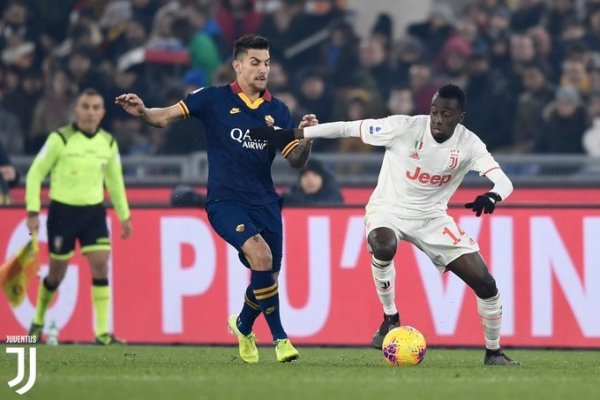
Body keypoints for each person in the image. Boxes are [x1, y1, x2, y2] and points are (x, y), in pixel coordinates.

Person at [251, 84, 520, 366]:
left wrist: (493, 194)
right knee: (383, 243)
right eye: (435, 112)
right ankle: (390, 318)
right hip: (388, 208)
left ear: (460, 117)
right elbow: (348, 128)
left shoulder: (470, 144)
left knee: (485, 283)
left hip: (432, 218)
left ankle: (494, 352)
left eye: (447, 114)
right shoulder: (404, 128)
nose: (438, 119)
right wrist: (290, 134)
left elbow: (504, 181)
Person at [115, 34, 314, 363]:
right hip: (225, 201)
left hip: (265, 201)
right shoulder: (212, 99)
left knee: (268, 277)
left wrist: (304, 137)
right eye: (255, 62)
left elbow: (295, 160)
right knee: (260, 257)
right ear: (237, 66)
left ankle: (242, 325)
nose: (263, 69)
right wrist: (142, 112)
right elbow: (162, 118)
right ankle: (280, 339)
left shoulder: (278, 111)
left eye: (266, 63)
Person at [26, 88, 132, 345]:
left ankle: (102, 333)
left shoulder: (107, 143)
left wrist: (124, 216)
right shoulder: (59, 139)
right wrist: (32, 210)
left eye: (96, 107)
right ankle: (38, 320)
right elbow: (34, 174)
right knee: (56, 274)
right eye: (86, 107)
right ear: (76, 110)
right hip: (62, 212)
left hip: (93, 212)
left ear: (103, 112)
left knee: (100, 265)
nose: (90, 112)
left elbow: (115, 183)